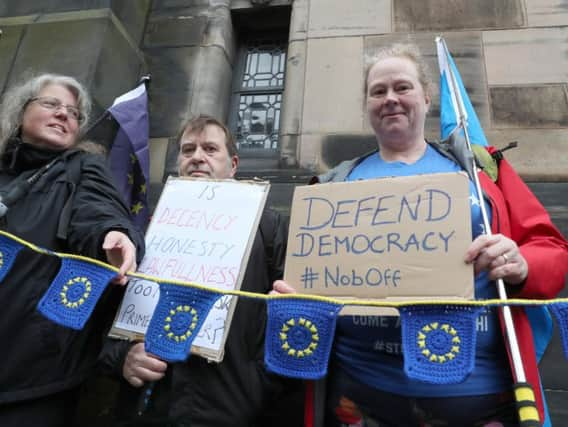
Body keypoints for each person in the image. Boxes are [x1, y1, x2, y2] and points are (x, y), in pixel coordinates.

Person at [273, 43, 568, 427]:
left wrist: (522, 263)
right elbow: (309, 281)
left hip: (480, 396)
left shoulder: (481, 170)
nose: (390, 98)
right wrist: (298, 299)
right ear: (367, 104)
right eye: (378, 91)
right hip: (359, 398)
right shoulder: (332, 185)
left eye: (403, 87)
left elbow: (553, 250)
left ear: (427, 97)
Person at [100, 115, 304, 427]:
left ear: (233, 164)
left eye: (210, 149)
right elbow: (112, 308)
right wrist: (122, 357)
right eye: (187, 150)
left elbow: (291, 311)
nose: (197, 157)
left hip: (231, 406)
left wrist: (258, 385)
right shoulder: (144, 229)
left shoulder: (268, 225)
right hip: (148, 405)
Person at [0, 73, 145, 426]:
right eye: (51, 104)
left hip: (34, 374)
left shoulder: (84, 167)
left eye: (74, 112)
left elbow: (98, 212)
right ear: (21, 113)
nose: (65, 114)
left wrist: (113, 234)